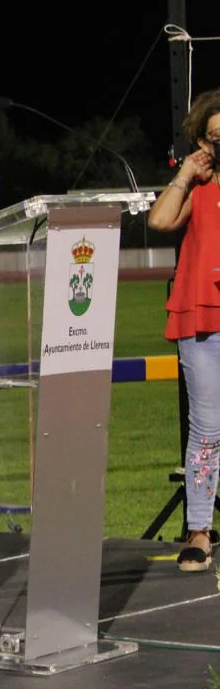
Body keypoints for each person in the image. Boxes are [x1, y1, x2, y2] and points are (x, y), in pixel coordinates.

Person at [148, 90, 220, 571]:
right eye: (216, 137)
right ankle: (199, 531)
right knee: (207, 429)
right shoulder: (198, 187)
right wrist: (186, 174)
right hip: (202, 313)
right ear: (201, 141)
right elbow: (159, 220)